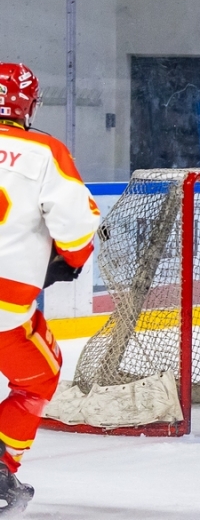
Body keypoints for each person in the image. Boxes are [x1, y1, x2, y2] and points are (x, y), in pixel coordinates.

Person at [0, 63, 100, 512]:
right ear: (29, 104)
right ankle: (2, 468)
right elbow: (78, 229)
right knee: (39, 378)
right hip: (5, 307)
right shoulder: (43, 151)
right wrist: (68, 261)